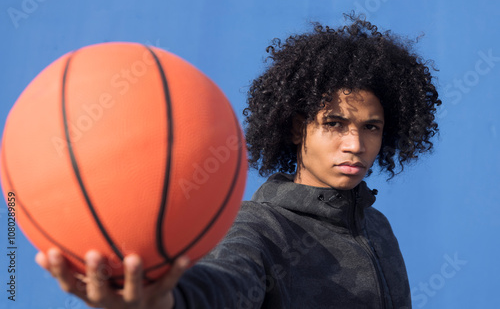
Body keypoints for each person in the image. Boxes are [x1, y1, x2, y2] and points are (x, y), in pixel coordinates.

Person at [36, 15, 441, 308]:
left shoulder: (378, 227)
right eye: (333, 123)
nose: (355, 144)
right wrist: (165, 301)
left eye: (371, 127)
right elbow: (222, 286)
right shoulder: (257, 225)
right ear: (296, 127)